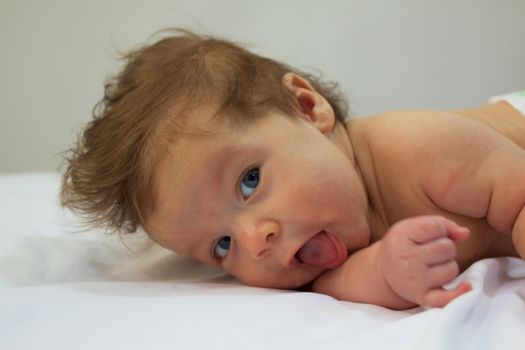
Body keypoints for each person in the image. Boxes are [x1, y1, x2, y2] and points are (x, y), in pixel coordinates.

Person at [61, 29, 525, 310]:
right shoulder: (318, 258)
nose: (252, 242)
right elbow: (354, 283)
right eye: (222, 247)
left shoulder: (420, 148)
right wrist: (388, 271)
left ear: (307, 108)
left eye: (249, 181)